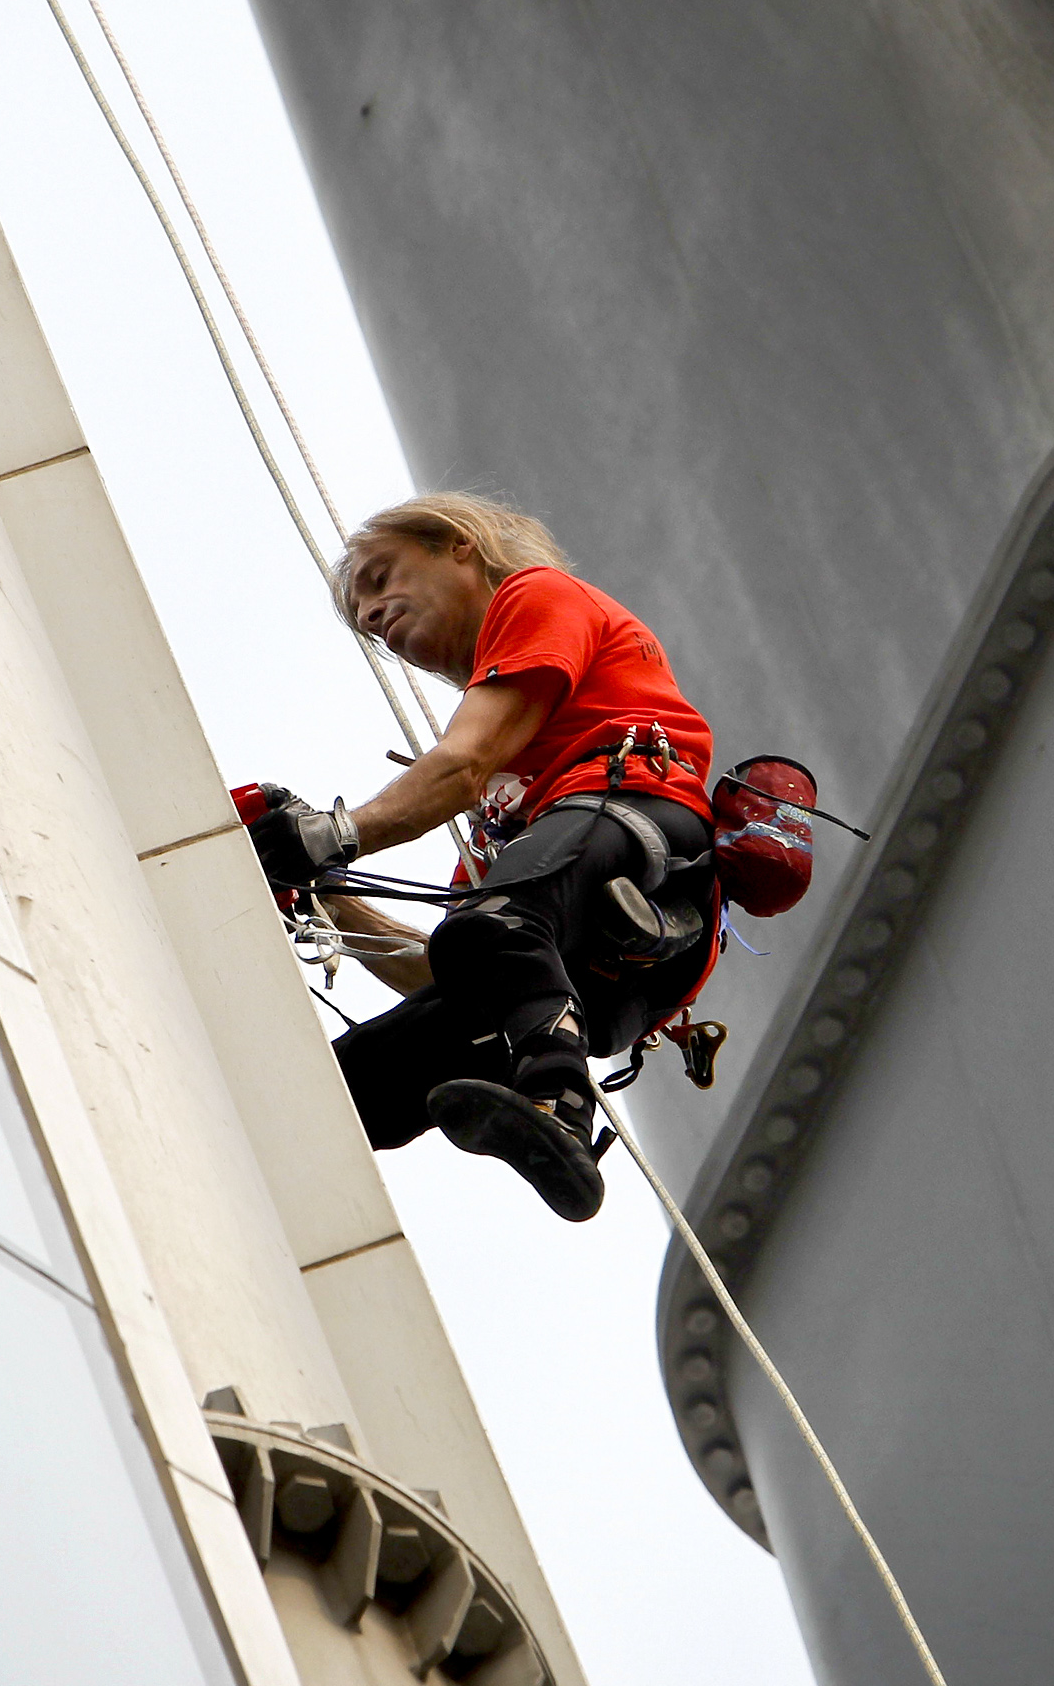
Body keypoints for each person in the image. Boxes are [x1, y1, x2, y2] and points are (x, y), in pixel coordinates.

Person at [249, 494, 720, 1221]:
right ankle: (547, 1099)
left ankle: (559, 1089)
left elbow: (460, 766)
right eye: (364, 618)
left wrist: (326, 836)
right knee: (350, 1089)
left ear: (458, 544)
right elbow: (446, 962)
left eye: (381, 577)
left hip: (642, 829)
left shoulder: (536, 596)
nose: (374, 616)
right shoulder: (509, 805)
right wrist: (331, 899)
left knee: (497, 926)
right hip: (607, 973)